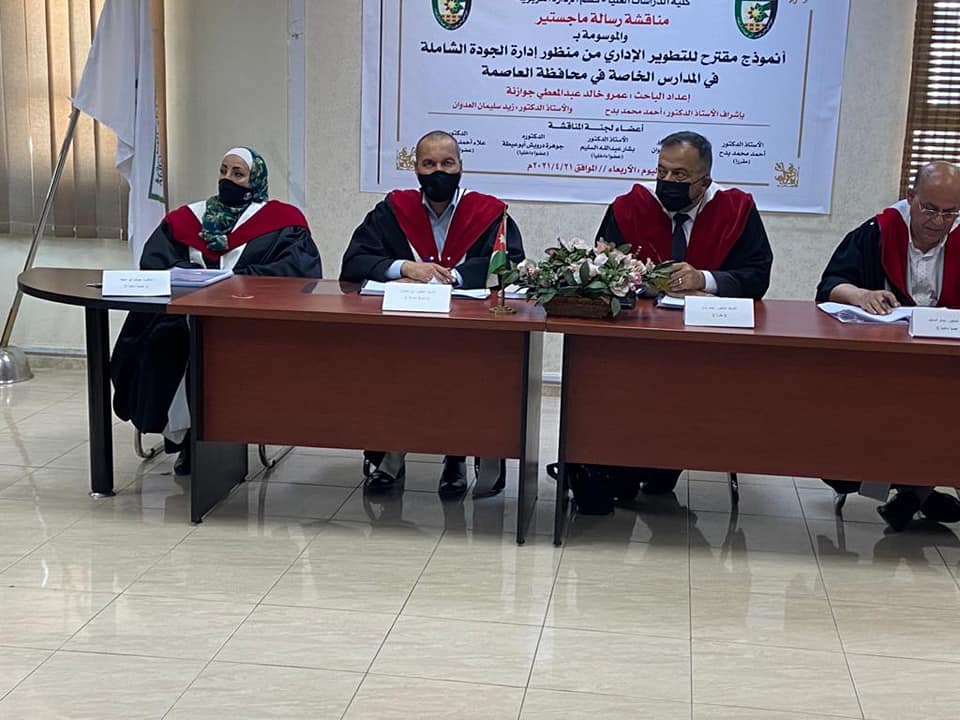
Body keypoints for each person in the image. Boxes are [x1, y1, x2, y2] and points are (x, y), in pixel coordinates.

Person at [583, 130, 774, 502]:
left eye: (680, 176)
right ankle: (616, 470)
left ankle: (664, 464)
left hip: (706, 343)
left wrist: (704, 279)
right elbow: (603, 270)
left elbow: (757, 277)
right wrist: (643, 281)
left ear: (704, 181)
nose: (667, 181)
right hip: (638, 339)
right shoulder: (629, 208)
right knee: (616, 384)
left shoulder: (736, 211)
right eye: (662, 172)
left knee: (687, 392)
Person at [111, 147, 323, 474]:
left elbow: (298, 272)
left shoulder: (283, 222)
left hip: (249, 321)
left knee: (224, 352)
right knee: (165, 344)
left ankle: (227, 433)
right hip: (186, 316)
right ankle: (185, 438)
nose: (228, 179)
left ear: (255, 180)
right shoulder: (188, 218)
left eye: (238, 174)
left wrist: (238, 281)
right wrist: (190, 276)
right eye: (223, 171)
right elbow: (155, 262)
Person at [340, 130, 525, 497]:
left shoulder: (489, 213)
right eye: (429, 164)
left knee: (465, 380)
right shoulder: (391, 211)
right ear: (416, 169)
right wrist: (404, 267)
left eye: (447, 163)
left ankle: (456, 456)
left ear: (460, 167)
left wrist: (454, 275)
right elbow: (355, 260)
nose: (438, 171)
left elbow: (511, 265)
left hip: (470, 331)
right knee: (392, 376)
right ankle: (390, 456)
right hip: (404, 329)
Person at [816, 160, 960, 531]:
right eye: (929, 209)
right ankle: (914, 492)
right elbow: (830, 286)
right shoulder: (876, 233)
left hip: (947, 364)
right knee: (896, 411)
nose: (938, 222)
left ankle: (915, 493)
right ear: (910, 198)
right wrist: (860, 294)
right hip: (884, 366)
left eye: (950, 213)